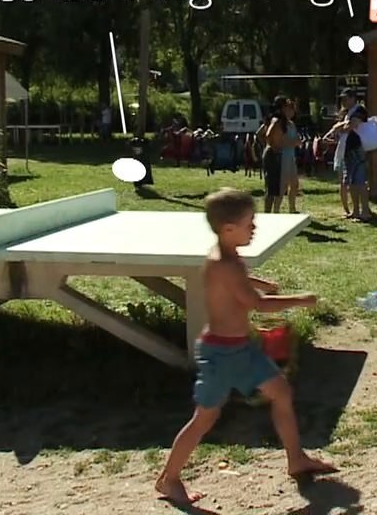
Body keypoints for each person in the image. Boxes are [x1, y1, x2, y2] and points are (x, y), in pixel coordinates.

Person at [154, 188, 335, 505]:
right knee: (204, 419)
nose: (254, 228)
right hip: (221, 355)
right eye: (249, 223)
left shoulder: (226, 256)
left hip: (241, 349)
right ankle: (169, 479)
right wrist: (301, 300)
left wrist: (259, 281)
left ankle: (296, 459)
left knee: (281, 391)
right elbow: (257, 305)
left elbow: (238, 283)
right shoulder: (226, 264)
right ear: (228, 229)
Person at [334, 89, 373, 220]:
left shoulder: (359, 111)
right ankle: (355, 211)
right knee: (351, 182)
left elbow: (350, 127)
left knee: (360, 181)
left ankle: (365, 211)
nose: (343, 101)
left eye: (346, 98)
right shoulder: (348, 113)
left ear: (353, 98)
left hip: (357, 149)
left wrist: (340, 127)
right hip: (348, 150)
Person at [266, 98, 302, 213]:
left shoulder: (291, 124)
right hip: (282, 156)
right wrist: (279, 146)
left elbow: (296, 138)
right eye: (289, 108)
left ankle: (292, 209)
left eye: (293, 109)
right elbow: (270, 137)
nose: (292, 111)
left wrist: (298, 142)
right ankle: (276, 210)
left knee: (294, 184)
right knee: (282, 186)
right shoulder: (278, 122)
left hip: (291, 156)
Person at [261, 96, 288, 213]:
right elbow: (267, 135)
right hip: (272, 154)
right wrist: (272, 147)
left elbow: (258, 134)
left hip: (274, 153)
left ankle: (269, 213)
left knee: (274, 188)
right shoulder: (276, 120)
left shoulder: (280, 120)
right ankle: (267, 214)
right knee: (271, 188)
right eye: (286, 106)